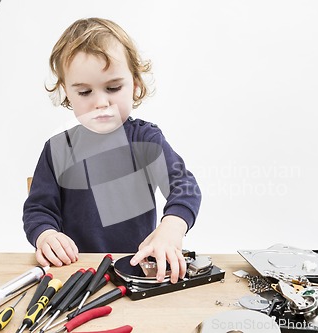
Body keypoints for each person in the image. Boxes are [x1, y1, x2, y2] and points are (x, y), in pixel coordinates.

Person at [23, 18, 201, 284]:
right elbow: (38, 209)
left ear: (136, 84)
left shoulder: (146, 139)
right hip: (76, 275)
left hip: (136, 272)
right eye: (84, 92)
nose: (101, 102)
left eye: (113, 88)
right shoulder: (58, 149)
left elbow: (185, 187)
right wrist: (46, 235)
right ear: (66, 93)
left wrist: (172, 227)